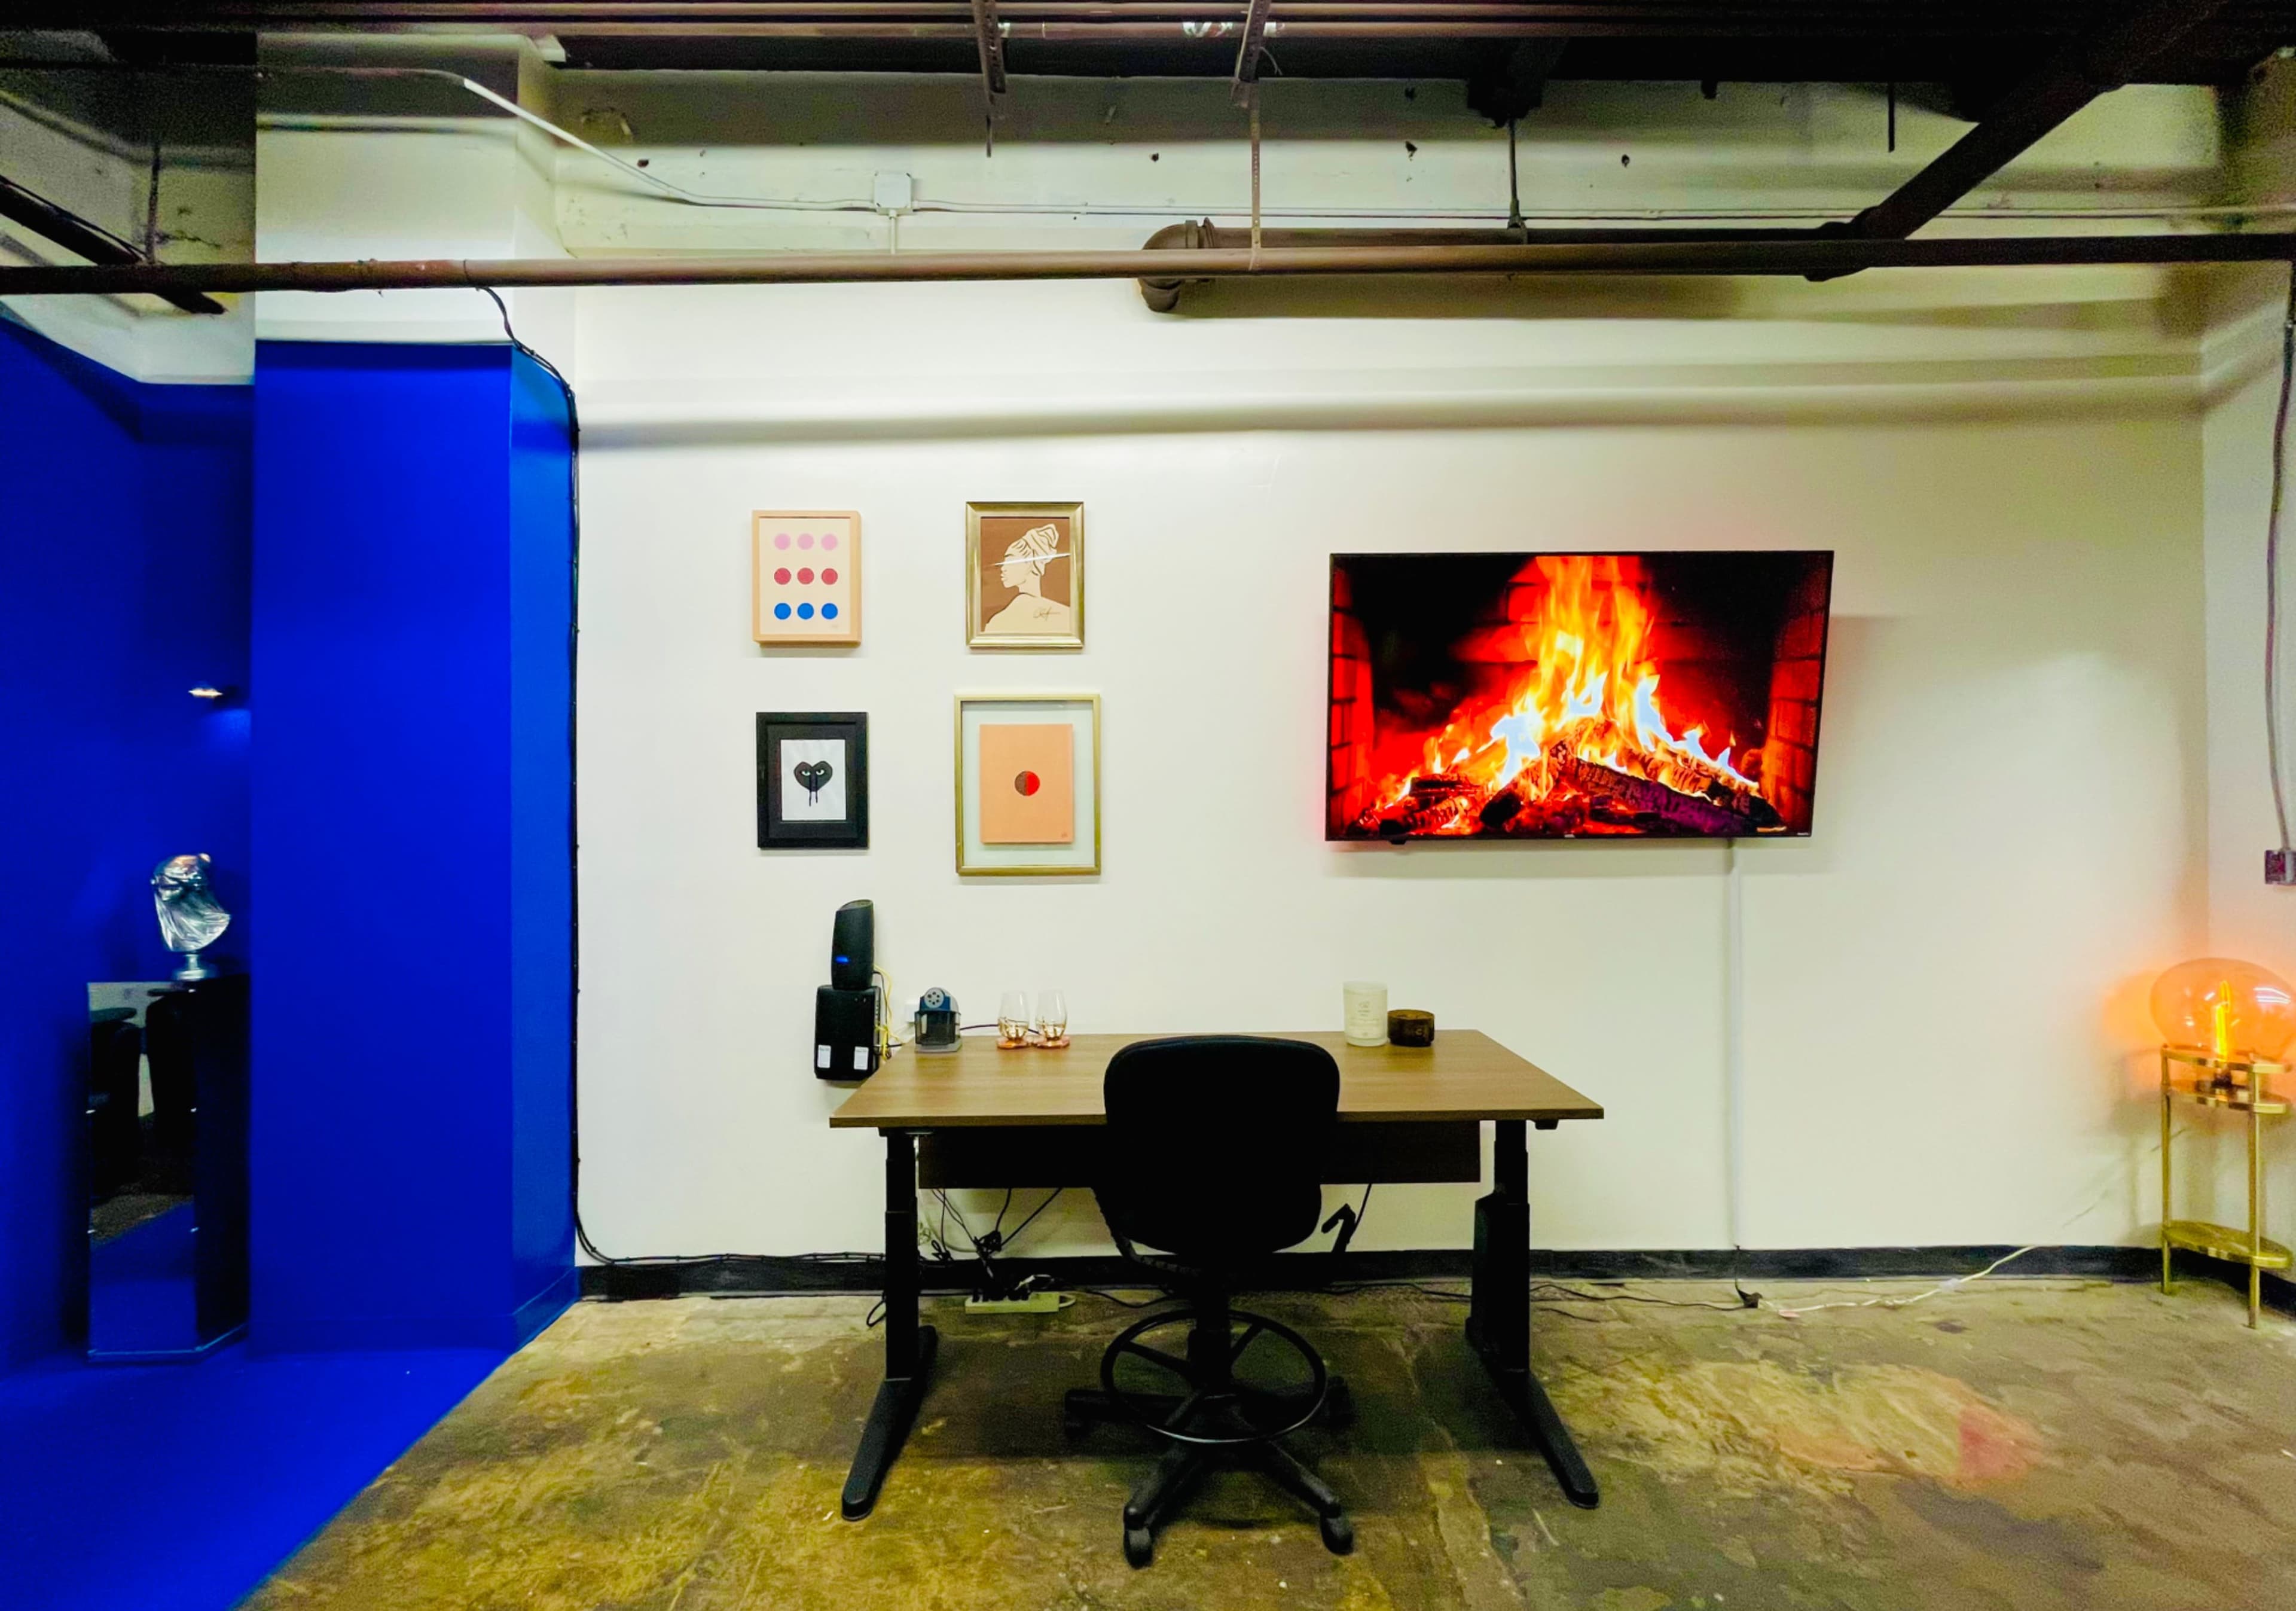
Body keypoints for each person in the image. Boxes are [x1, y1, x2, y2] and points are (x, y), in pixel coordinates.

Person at [982, 523, 1074, 637]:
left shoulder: (999, 622)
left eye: (1011, 560)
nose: (1003, 568)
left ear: (1031, 562)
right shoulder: (1069, 616)